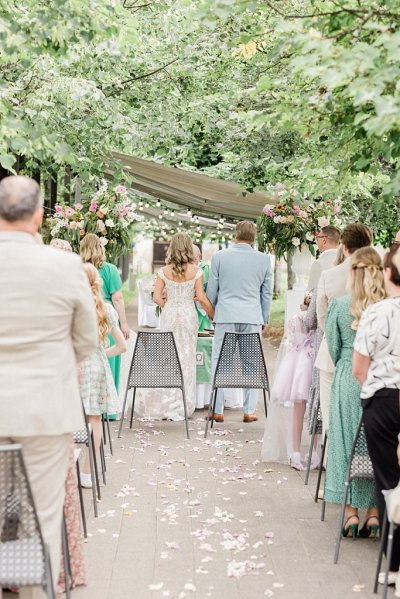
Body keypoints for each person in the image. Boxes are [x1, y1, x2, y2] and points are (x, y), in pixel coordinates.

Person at [0, 176, 98, 599]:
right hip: (44, 411)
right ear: (39, 215)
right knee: (41, 520)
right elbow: (87, 340)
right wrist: (53, 368)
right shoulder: (64, 266)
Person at [324, 247, 385, 538]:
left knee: (345, 443)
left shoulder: (339, 305)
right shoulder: (386, 307)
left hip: (348, 377)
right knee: (374, 446)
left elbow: (334, 350)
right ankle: (374, 513)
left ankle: (350, 512)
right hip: (378, 379)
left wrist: (347, 362)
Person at [353, 244, 400, 587]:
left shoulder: (377, 312)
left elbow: (359, 368)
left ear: (387, 274)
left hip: (383, 403)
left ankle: (395, 566)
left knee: (388, 482)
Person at [135, 233, 214, 421]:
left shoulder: (164, 271)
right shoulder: (197, 271)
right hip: (188, 317)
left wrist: (168, 307)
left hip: (170, 316)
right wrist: (213, 314)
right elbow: (201, 298)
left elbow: (156, 297)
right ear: (188, 248)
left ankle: (168, 402)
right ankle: (184, 404)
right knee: (186, 359)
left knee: (168, 358)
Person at [206, 221, 273, 423]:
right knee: (252, 363)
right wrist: (264, 317)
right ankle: (249, 410)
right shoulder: (263, 260)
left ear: (236, 234)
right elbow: (266, 292)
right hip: (252, 316)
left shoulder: (219, 257)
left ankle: (217, 410)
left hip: (226, 315)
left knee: (220, 362)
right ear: (254, 237)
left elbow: (212, 290)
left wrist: (213, 312)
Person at [315, 223, 372, 435]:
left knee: (331, 416)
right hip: (371, 357)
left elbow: (323, 319)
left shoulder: (329, 276)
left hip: (332, 355)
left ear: (344, 246)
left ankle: (331, 460)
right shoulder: (380, 275)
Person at [79, 263, 126, 488]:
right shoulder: (105, 309)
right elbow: (122, 346)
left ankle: (69, 468)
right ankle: (87, 474)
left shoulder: (72, 306)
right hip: (96, 367)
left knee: (72, 418)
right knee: (95, 419)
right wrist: (100, 355)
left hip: (74, 366)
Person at [80, 233, 129, 403]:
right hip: (105, 318)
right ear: (100, 248)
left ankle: (88, 403)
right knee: (109, 362)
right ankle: (108, 405)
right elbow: (117, 298)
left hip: (85, 315)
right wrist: (123, 323)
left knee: (86, 363)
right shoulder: (110, 269)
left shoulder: (79, 268)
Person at [307, 226, 341, 292]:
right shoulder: (346, 260)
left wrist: (303, 302)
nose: (316, 241)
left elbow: (311, 292)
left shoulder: (318, 264)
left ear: (324, 240)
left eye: (317, 238)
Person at [193, 244, 212, 331]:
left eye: (195, 258)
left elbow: (210, 288)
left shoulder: (206, 268)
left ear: (199, 256)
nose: (193, 261)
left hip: (202, 307)